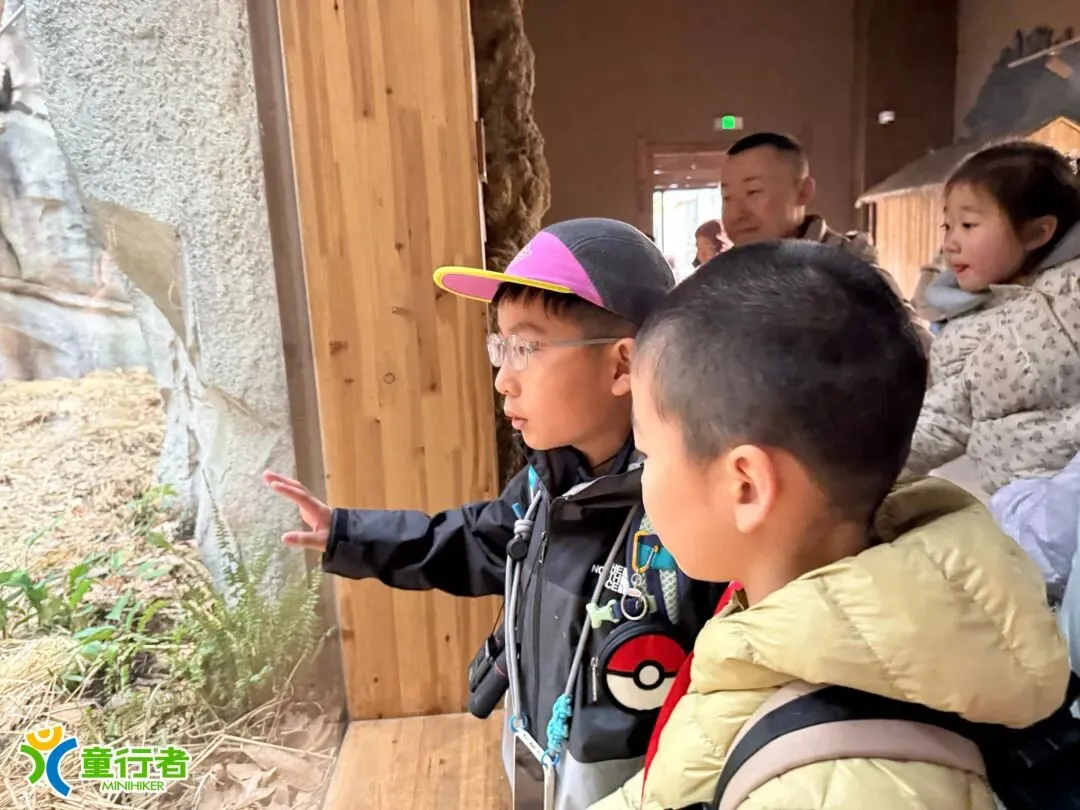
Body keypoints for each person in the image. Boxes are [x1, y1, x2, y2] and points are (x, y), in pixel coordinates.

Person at [264, 218, 725, 810]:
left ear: (620, 366)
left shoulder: (694, 516)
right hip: (542, 768)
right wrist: (349, 533)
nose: (504, 379)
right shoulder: (545, 482)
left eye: (526, 348)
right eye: (500, 348)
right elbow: (474, 540)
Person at [591, 241, 1068, 809]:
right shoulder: (780, 629)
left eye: (648, 452)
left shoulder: (850, 785)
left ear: (746, 486)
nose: (642, 477)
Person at [906, 141, 1080, 496]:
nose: (949, 244)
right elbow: (941, 421)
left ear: (1037, 232)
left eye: (968, 225)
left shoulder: (1072, 287)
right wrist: (863, 466)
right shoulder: (963, 335)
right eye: (947, 226)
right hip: (1024, 497)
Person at [720, 131, 930, 347]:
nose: (736, 214)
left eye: (753, 192)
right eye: (727, 198)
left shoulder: (853, 275)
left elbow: (921, 353)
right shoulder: (721, 278)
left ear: (803, 192)